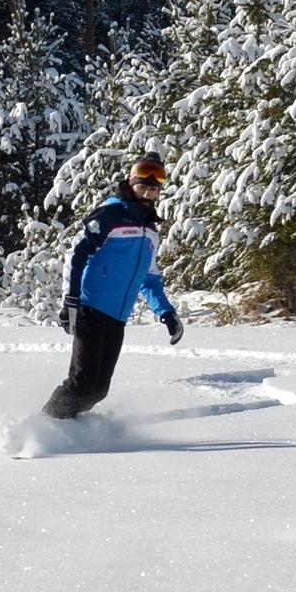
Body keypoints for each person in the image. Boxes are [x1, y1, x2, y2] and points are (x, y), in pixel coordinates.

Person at [42, 152, 184, 419]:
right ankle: (43, 425)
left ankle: (69, 425)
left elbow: (149, 278)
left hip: (117, 318)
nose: (148, 191)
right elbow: (76, 254)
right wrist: (70, 300)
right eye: (143, 185)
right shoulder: (110, 215)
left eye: (153, 188)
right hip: (90, 309)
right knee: (81, 383)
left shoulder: (150, 231)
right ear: (131, 183)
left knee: (98, 390)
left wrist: (167, 313)